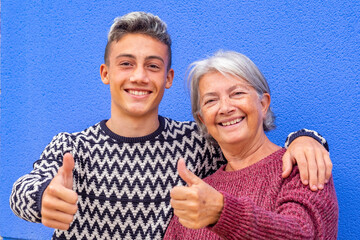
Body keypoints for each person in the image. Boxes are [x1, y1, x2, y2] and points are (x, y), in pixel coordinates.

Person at [10, 12, 332, 240]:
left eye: (153, 65)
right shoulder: (73, 147)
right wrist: (41, 199)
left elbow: (249, 148)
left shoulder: (196, 143)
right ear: (106, 73)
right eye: (126, 64)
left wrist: (306, 139)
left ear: (168, 78)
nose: (139, 76)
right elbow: (22, 191)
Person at [164, 51, 338, 239]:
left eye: (237, 93)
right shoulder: (199, 196)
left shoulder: (303, 166)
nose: (225, 108)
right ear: (202, 119)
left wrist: (222, 212)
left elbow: (302, 234)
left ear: (263, 104)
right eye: (211, 100)